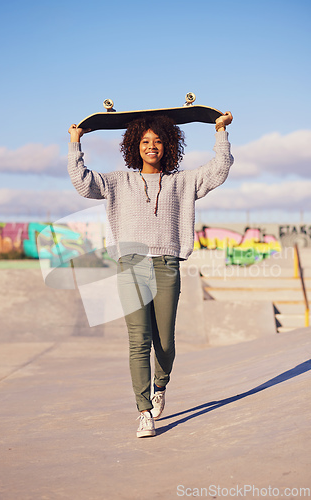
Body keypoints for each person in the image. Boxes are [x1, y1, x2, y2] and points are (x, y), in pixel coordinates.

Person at [68, 111, 233, 438]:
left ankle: (161, 385)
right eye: (145, 142)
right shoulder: (119, 181)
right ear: (135, 146)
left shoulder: (182, 182)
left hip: (166, 265)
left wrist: (220, 132)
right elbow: (83, 182)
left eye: (158, 141)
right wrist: (76, 143)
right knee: (138, 341)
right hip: (131, 266)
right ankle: (144, 411)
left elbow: (219, 169)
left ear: (168, 144)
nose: (151, 146)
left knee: (165, 344)